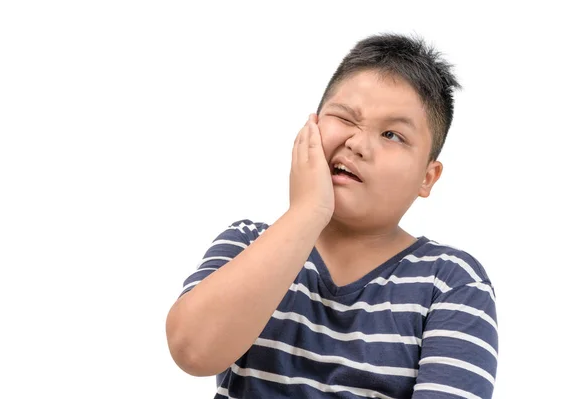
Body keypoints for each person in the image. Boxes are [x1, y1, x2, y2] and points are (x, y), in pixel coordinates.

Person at [165, 33, 498, 399]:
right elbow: (193, 351)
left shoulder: (451, 282)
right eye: (344, 118)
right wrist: (308, 212)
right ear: (311, 126)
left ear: (426, 177)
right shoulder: (248, 242)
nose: (357, 143)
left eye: (392, 134)